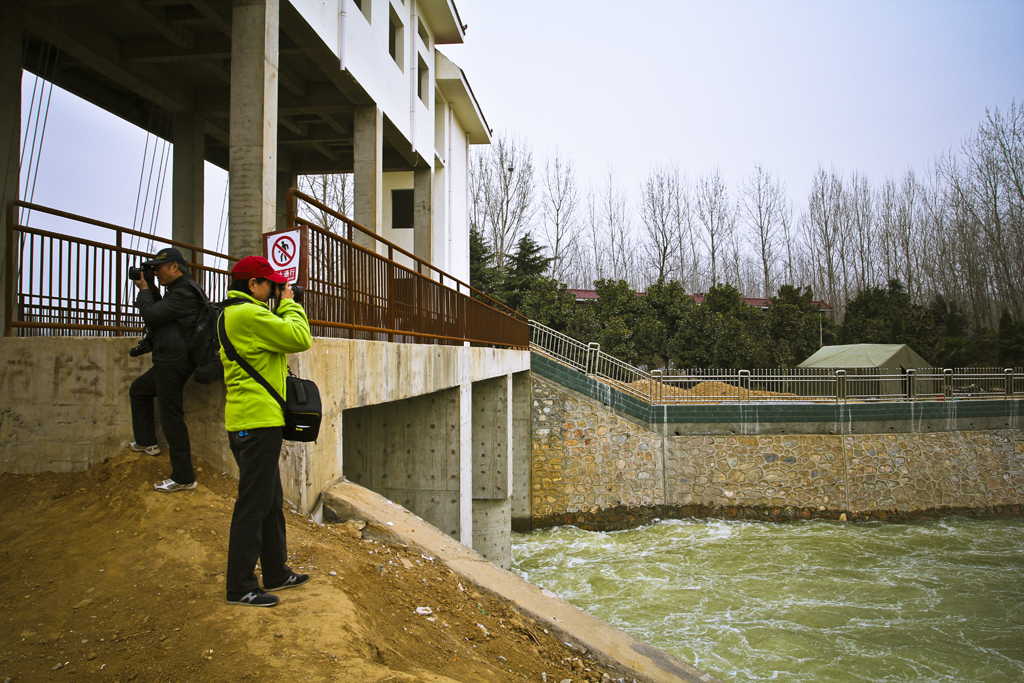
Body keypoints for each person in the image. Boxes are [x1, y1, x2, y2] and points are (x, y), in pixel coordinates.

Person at [220, 255, 312, 607]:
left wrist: (282, 305)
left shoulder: (234, 314)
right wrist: (290, 305)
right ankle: (240, 585)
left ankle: (275, 570)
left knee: (270, 501)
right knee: (253, 505)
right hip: (256, 423)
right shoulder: (249, 314)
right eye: (270, 284)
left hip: (251, 420)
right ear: (253, 285)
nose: (275, 289)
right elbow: (299, 337)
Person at [128, 247, 203, 493]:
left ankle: (183, 477)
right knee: (139, 390)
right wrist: (151, 287)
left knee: (171, 418)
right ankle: (146, 442)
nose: (157, 272)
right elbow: (163, 316)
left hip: (174, 363)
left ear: (174, 267)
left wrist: (144, 290)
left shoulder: (184, 292)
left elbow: (152, 314)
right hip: (168, 361)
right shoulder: (177, 291)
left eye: (159, 268)